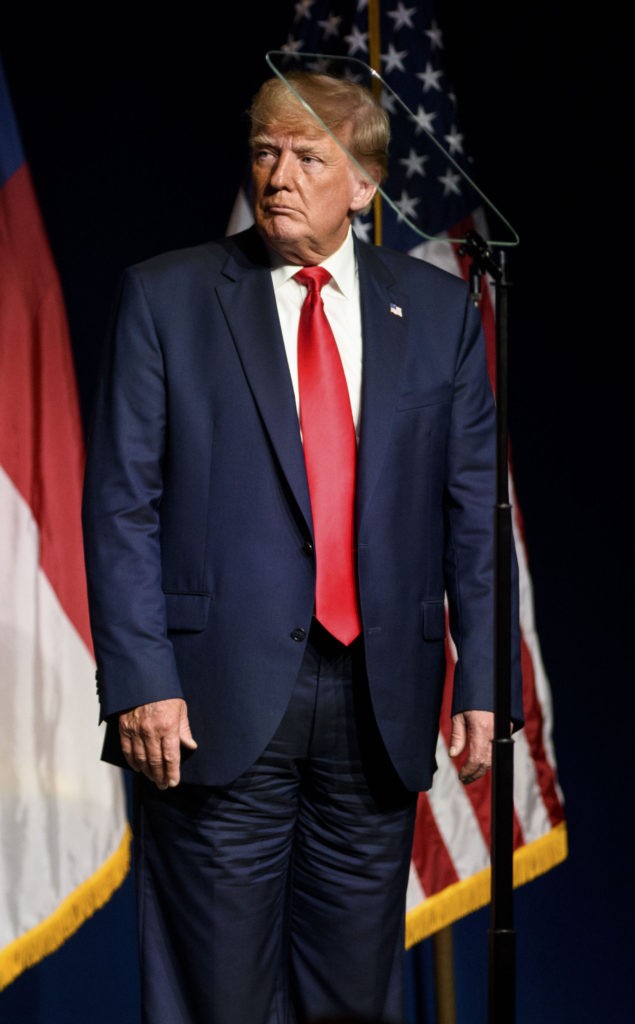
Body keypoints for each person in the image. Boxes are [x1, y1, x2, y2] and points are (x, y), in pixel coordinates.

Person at [81, 70, 523, 1024]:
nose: (278, 176)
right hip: (210, 698)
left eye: (308, 158)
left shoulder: (440, 315)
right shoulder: (168, 297)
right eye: (266, 153)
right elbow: (120, 506)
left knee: (352, 998)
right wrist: (140, 679)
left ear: (363, 185)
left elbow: (470, 516)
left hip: (377, 703)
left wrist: (484, 680)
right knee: (218, 997)